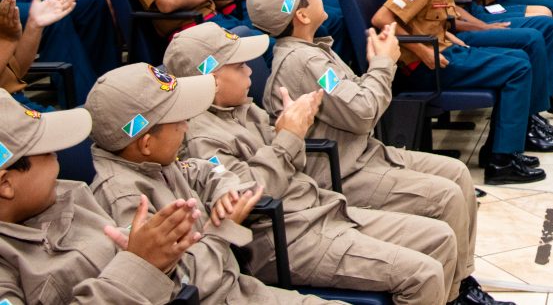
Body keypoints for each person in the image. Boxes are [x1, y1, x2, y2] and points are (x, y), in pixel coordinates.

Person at [248, 0, 513, 304]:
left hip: (362, 154)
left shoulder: (314, 51)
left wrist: (376, 69)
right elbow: (362, 112)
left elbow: (355, 100)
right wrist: (384, 63)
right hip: (342, 170)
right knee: (445, 197)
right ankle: (452, 297)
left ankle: (461, 281)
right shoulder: (305, 63)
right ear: (300, 15)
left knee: (457, 173)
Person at [164, 23, 465, 304]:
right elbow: (251, 197)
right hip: (282, 237)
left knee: (440, 238)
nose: (250, 72)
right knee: (422, 273)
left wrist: (292, 130)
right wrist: (288, 136)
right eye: (240, 66)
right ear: (211, 80)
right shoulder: (200, 138)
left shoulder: (242, 109)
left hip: (319, 210)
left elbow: (291, 161)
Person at [84, 63, 343, 304]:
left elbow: (205, 171)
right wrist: (222, 230)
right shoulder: (128, 202)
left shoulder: (157, 162)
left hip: (236, 286)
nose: (187, 125)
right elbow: (183, 284)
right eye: (178, 120)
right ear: (146, 144)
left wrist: (225, 192)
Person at [372, 0, 547, 185]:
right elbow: (382, 18)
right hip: (428, 66)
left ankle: (498, 148)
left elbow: (431, 19)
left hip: (442, 49)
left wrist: (447, 38)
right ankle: (502, 162)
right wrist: (423, 51)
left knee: (519, 58)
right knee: (518, 68)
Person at [0, 92, 208, 304]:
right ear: (6, 184)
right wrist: (138, 266)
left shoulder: (68, 194)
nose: (57, 158)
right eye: (46, 153)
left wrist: (155, 255)